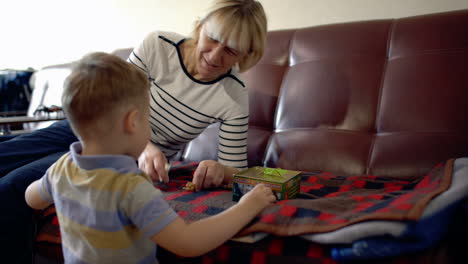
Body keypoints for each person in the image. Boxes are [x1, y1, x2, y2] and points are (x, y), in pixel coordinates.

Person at [0, 0, 267, 262]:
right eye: (212, 38)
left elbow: (237, 170)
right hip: (89, 130)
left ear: (248, 55)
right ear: (201, 27)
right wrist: (147, 145)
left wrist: (219, 168)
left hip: (125, 151)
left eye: (231, 51)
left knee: (12, 185)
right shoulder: (157, 44)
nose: (214, 55)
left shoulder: (233, 96)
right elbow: (115, 100)